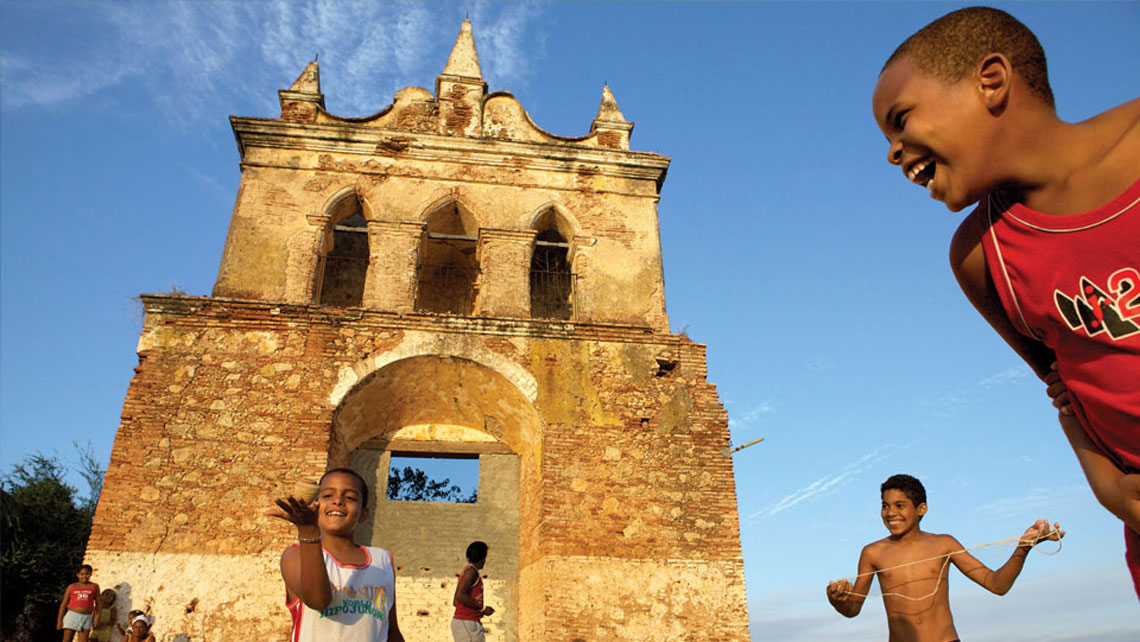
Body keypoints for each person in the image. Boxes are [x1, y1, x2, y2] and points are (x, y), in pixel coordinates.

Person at [871, 6, 1140, 596]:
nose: (892, 151)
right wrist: (1107, 487)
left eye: (900, 120)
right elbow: (1063, 387)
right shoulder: (980, 257)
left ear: (990, 82)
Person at [827, 474, 1062, 641]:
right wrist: (838, 600)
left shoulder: (943, 544)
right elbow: (853, 608)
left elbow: (997, 585)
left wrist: (1023, 547)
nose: (891, 513)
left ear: (921, 509)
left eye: (900, 505)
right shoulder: (872, 552)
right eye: (885, 506)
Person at [266, 468, 405, 642]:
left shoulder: (383, 560)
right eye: (327, 496)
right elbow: (318, 601)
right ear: (315, 506)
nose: (338, 501)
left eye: (350, 498)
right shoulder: (295, 554)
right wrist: (309, 533)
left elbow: (391, 630)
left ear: (363, 514)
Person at [451, 541, 494, 642]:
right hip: (467, 622)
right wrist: (482, 609)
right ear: (483, 557)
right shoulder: (471, 572)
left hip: (468, 622)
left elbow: (455, 601)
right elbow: (460, 596)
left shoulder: (467, 571)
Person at [57, 564, 100, 642]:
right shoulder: (72, 586)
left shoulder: (94, 586)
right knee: (67, 639)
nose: (84, 576)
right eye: (82, 574)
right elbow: (63, 604)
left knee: (83, 640)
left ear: (90, 574)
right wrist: (59, 620)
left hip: (87, 616)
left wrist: (96, 618)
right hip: (72, 615)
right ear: (77, 575)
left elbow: (98, 604)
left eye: (87, 574)